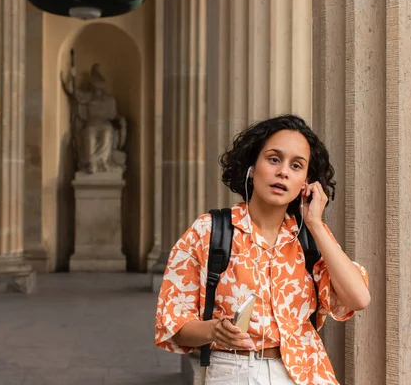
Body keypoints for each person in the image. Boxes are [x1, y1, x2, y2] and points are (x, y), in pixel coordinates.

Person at [155, 115, 370, 384]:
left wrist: (314, 222)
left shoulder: (310, 238)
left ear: (305, 182)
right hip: (234, 371)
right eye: (274, 159)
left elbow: (358, 298)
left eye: (296, 166)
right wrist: (213, 330)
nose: (283, 172)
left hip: (307, 372)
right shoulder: (209, 231)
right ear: (252, 167)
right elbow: (173, 324)